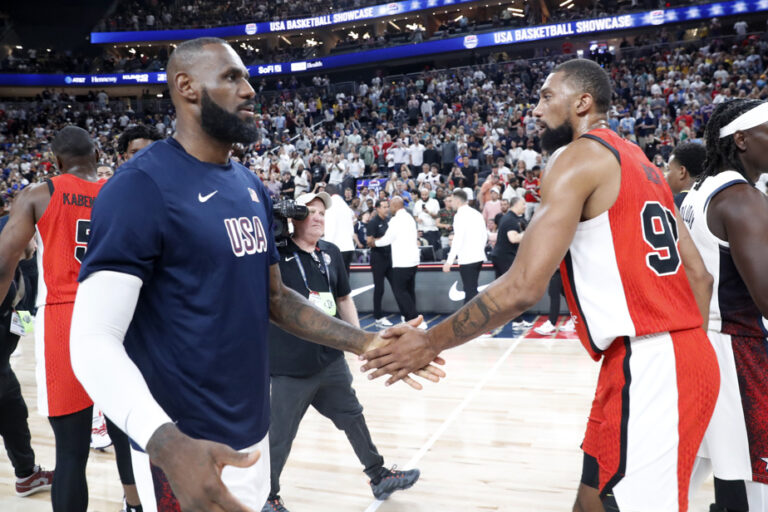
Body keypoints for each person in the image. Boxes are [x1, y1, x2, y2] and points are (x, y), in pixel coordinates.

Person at [67, 38, 442, 512]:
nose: (249, 90)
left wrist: (365, 342)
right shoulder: (139, 188)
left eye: (245, 77)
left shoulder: (249, 186)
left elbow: (277, 300)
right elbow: (92, 341)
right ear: (186, 86)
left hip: (253, 426)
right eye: (231, 77)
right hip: (186, 444)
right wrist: (163, 442)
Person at [361, 58, 719, 512]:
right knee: (591, 500)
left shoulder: (576, 157)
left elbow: (523, 287)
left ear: (583, 102)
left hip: (653, 362)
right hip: (666, 357)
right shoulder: (644, 164)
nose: (535, 107)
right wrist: (687, 353)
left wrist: (429, 342)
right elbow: (699, 275)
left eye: (547, 96)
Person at [263, 191, 419, 512]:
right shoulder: (276, 253)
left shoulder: (331, 253)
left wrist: (361, 342)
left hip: (330, 359)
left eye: (323, 212)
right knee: (280, 435)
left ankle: (377, 475)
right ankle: (267, 496)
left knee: (352, 416)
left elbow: (344, 299)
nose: (319, 216)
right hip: (289, 364)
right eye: (310, 211)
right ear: (293, 217)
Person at [0, 125, 127, 512]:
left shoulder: (39, 194)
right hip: (119, 316)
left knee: (71, 454)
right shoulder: (121, 190)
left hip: (64, 320)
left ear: (55, 161)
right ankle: (135, 505)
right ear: (97, 155)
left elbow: (4, 265)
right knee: (127, 436)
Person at [681, 99, 768, 512]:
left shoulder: (700, 189)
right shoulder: (742, 199)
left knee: (720, 468)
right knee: (753, 481)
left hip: (705, 342)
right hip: (738, 347)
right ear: (741, 139)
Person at [0, 228, 53, 499]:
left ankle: (26, 474)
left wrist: (30, 264)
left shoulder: (23, 271)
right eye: (31, 235)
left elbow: (23, 325)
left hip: (2, 366)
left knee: (15, 413)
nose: (36, 240)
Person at [370, 196, 425, 328]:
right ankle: (409, 319)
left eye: (390, 205)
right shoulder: (410, 218)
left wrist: (375, 243)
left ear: (395, 206)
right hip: (413, 260)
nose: (389, 208)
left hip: (402, 261)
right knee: (409, 290)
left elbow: (388, 239)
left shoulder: (396, 220)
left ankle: (414, 318)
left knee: (400, 291)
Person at [490, 196, 530, 328]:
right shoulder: (510, 220)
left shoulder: (512, 218)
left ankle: (513, 319)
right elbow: (513, 238)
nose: (525, 206)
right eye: (523, 204)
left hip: (502, 256)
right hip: (504, 258)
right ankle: (514, 321)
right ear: (516, 204)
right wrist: (529, 233)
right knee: (512, 289)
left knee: (504, 290)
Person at [442, 190, 487, 305]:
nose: (450, 203)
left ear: (457, 201)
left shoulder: (460, 215)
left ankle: (471, 320)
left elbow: (457, 239)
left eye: (451, 200)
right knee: (472, 289)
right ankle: (474, 319)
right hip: (478, 257)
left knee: (470, 292)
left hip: (467, 259)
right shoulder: (476, 213)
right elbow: (484, 235)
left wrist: (449, 261)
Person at [367, 199, 395, 328]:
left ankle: (407, 315)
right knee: (379, 288)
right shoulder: (373, 223)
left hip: (390, 257)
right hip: (378, 258)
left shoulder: (389, 221)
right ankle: (378, 317)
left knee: (397, 286)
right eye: (383, 207)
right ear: (377, 208)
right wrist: (385, 240)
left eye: (387, 206)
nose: (386, 209)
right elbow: (369, 241)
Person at [323, 183, 356, 276]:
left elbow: (330, 229)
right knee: (345, 281)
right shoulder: (345, 205)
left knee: (335, 281)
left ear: (327, 194)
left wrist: (326, 249)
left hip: (337, 249)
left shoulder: (331, 206)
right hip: (349, 247)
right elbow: (352, 227)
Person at [666, 141, 706, 208]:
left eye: (668, 169)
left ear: (682, 172)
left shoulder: (673, 206)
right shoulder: (713, 199)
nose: (665, 175)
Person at [412, 188, 440, 259]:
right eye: (422, 195)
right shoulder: (418, 203)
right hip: (421, 230)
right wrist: (417, 219)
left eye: (425, 195)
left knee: (433, 251)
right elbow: (415, 215)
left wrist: (428, 212)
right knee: (423, 251)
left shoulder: (434, 202)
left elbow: (437, 216)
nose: (424, 197)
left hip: (432, 230)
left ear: (429, 194)